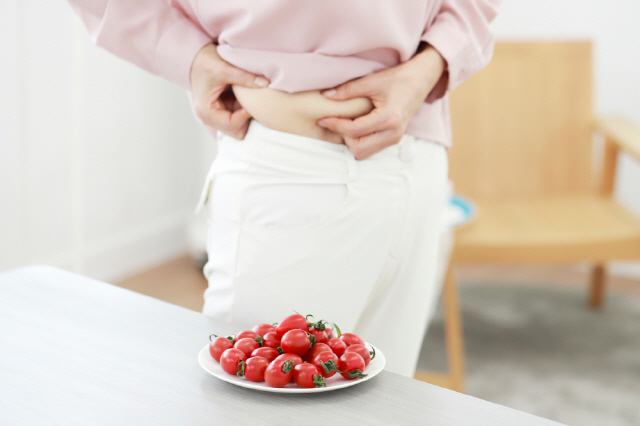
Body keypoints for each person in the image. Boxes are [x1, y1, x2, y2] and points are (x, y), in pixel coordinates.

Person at [67, 0, 500, 377]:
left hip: (418, 156)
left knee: (381, 405)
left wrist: (435, 61)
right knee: (257, 408)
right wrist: (186, 56)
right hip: (293, 169)